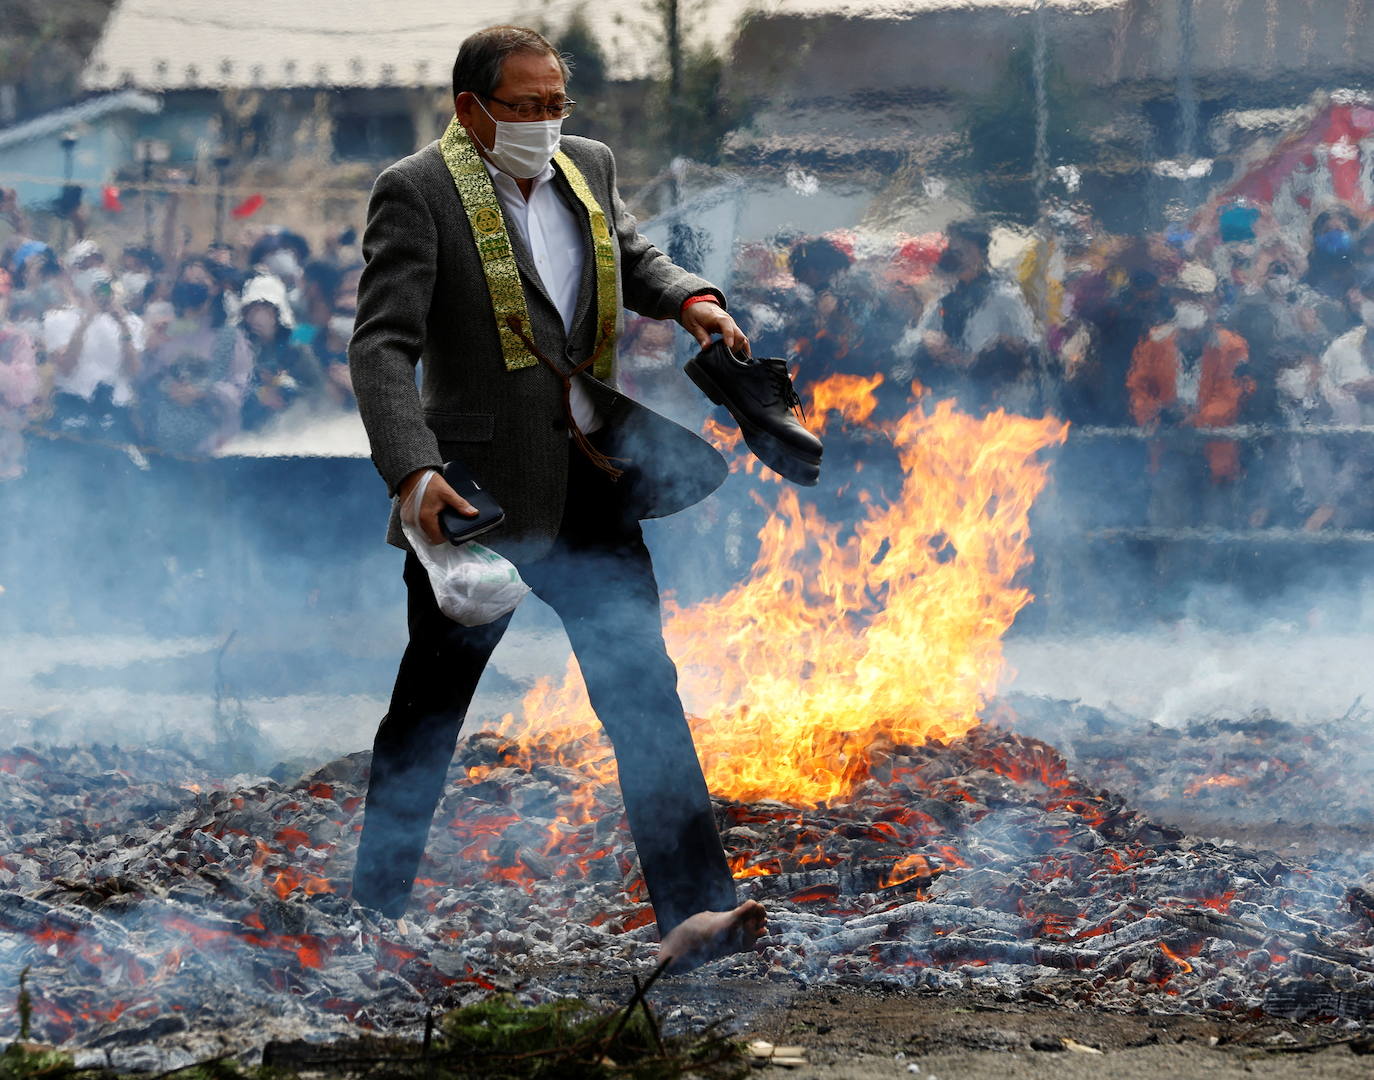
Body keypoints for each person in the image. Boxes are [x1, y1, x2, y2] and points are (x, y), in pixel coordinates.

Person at [347, 25, 765, 968]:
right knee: (429, 711)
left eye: (555, 103)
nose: (545, 120)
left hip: (591, 481)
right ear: (471, 109)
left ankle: (696, 917)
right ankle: (372, 917)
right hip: (477, 498)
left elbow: (628, 252)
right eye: (524, 105)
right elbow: (381, 347)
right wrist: (414, 471)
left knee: (644, 695)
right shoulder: (416, 191)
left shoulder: (588, 164)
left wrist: (691, 298)